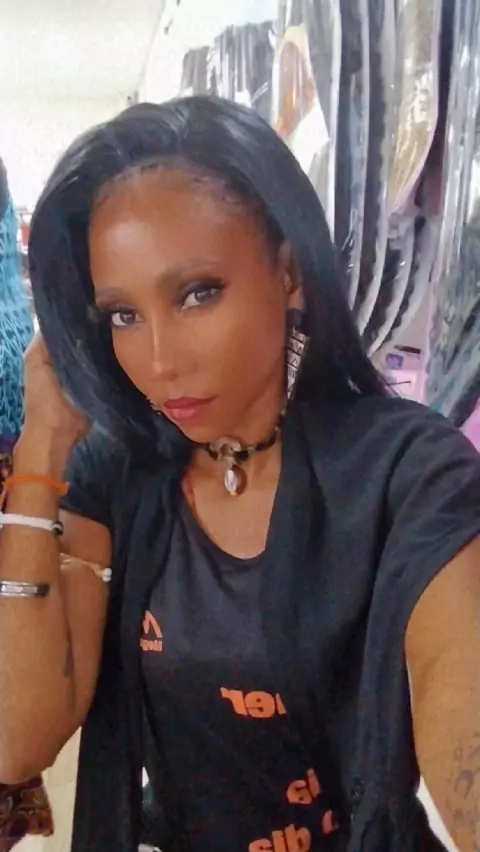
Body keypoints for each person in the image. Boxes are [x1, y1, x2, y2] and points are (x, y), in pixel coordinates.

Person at [0, 97, 479, 852]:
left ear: (288, 272)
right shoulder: (118, 476)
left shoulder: (406, 473)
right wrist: (41, 454)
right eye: (123, 316)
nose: (161, 360)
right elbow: (15, 740)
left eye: (197, 294)